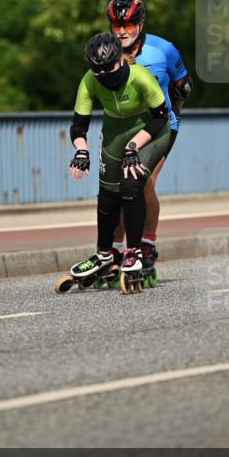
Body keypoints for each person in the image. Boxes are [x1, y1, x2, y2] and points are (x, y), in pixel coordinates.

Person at [63, 31, 177, 291]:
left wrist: (134, 146)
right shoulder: (90, 81)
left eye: (109, 68)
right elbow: (78, 127)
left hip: (151, 130)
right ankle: (105, 252)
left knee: (131, 183)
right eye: (97, 70)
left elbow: (161, 117)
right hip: (116, 130)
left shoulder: (140, 77)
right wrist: (81, 151)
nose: (104, 75)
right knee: (106, 194)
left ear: (121, 60)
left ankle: (134, 251)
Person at [105, 0, 192, 271]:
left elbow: (183, 86)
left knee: (143, 183)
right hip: (125, 127)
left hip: (160, 126)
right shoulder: (105, 50)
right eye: (116, 24)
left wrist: (172, 118)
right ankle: (117, 249)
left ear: (140, 24)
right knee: (119, 187)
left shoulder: (163, 49)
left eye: (128, 24)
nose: (122, 31)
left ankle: (147, 244)